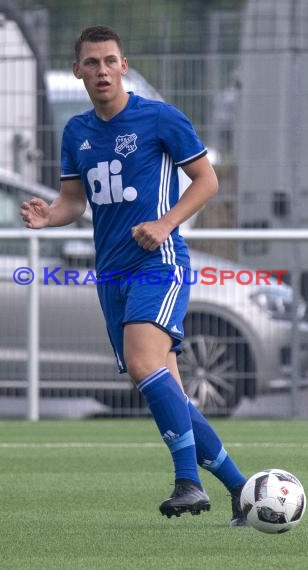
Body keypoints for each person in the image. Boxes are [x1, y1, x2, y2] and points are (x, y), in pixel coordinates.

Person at [20, 25, 247, 526]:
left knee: (147, 366)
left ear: (124, 66)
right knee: (166, 391)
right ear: (78, 70)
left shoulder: (159, 118)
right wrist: (48, 216)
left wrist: (165, 223)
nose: (101, 70)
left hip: (159, 264)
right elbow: (75, 202)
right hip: (112, 275)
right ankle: (241, 488)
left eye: (109, 61)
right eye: (91, 63)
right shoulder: (77, 131)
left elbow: (206, 180)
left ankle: (188, 483)